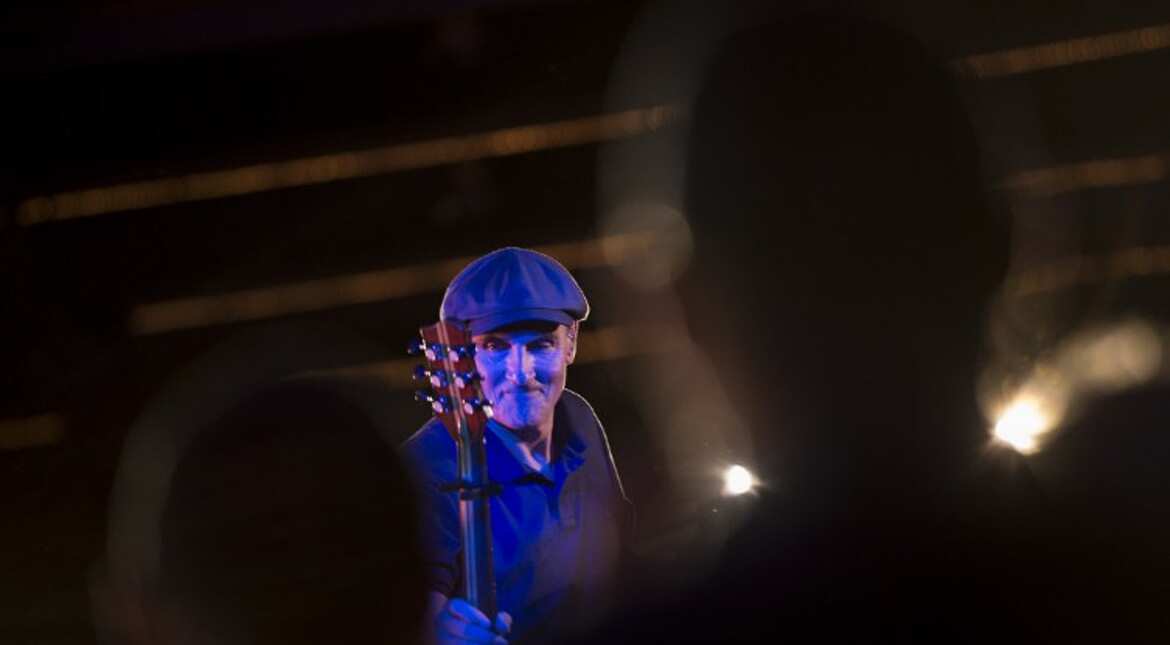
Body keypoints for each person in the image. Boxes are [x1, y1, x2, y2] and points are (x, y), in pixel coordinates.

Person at [401, 247, 632, 645]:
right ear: (460, 354)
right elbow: (402, 618)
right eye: (494, 347)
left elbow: (626, 560)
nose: (520, 374)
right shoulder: (424, 468)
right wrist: (438, 633)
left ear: (571, 344)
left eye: (540, 346)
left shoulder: (579, 419)